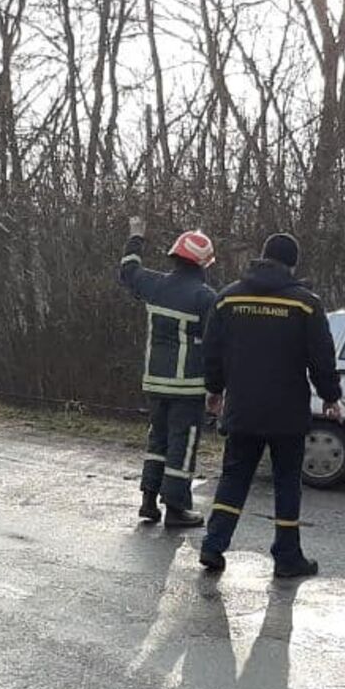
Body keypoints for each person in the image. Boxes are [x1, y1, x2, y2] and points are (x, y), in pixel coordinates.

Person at [198, 233, 343, 582]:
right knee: (286, 483)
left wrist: (214, 390)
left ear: (262, 258)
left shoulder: (227, 299)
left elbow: (212, 351)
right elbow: (321, 356)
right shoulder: (306, 304)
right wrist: (330, 395)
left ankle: (213, 545)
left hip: (242, 407)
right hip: (286, 411)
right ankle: (286, 557)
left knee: (234, 477)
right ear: (293, 264)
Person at [118, 217, 219, 528]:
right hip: (188, 386)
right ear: (204, 263)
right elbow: (216, 347)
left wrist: (136, 237)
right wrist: (217, 388)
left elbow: (128, 270)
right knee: (182, 443)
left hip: (154, 381)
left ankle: (149, 501)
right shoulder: (205, 297)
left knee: (157, 440)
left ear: (175, 255)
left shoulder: (154, 284)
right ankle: (176, 508)